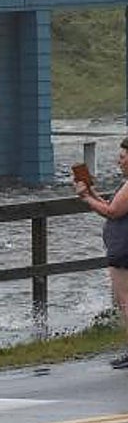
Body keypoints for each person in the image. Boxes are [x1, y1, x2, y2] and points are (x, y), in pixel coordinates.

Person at [75, 136, 128, 369]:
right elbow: (111, 205)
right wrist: (92, 194)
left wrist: (86, 198)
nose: (119, 161)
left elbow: (112, 212)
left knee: (125, 300)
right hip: (122, 245)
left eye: (123, 157)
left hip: (124, 248)